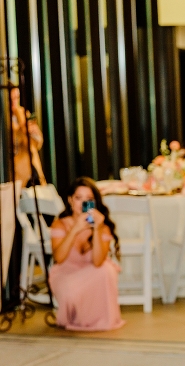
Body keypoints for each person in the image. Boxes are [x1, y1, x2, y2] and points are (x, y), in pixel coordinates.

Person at [49, 177, 124, 331]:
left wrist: (96, 229)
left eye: (89, 199)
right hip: (66, 274)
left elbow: (98, 262)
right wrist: (75, 229)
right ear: (70, 200)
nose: (83, 203)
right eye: (78, 198)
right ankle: (78, 316)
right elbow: (59, 258)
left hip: (93, 274)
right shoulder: (60, 224)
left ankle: (98, 320)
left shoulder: (102, 227)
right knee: (72, 289)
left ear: (95, 202)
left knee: (105, 270)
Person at [10, 88, 46, 187]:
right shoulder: (4, 118)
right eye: (11, 98)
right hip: (18, 173)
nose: (14, 101)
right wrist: (22, 128)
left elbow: (38, 142)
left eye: (17, 97)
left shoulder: (23, 112)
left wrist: (34, 132)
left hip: (33, 166)